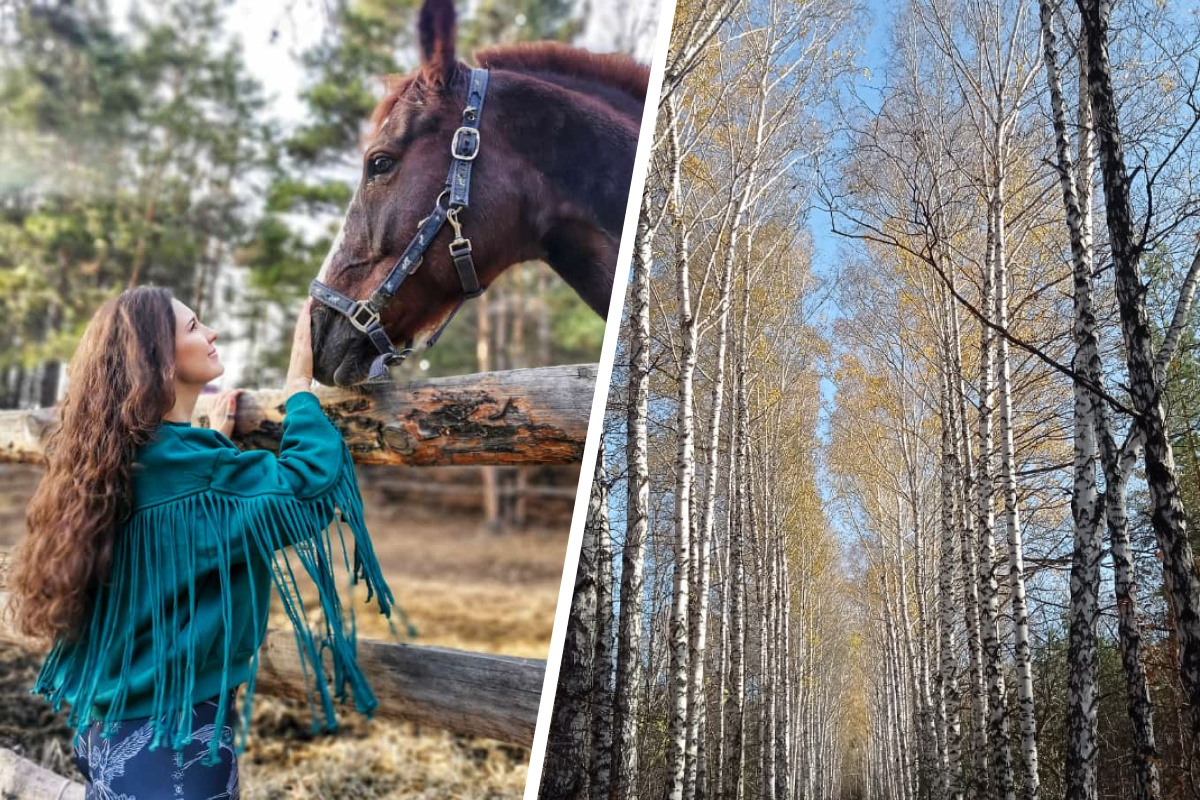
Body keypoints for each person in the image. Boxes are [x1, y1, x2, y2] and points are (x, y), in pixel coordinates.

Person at [4, 287, 399, 799]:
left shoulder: (107, 463)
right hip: (173, 747)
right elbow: (310, 485)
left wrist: (212, 437)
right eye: (193, 328)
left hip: (103, 729)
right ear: (157, 360)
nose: (211, 333)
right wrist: (300, 388)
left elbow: (189, 500)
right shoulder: (199, 473)